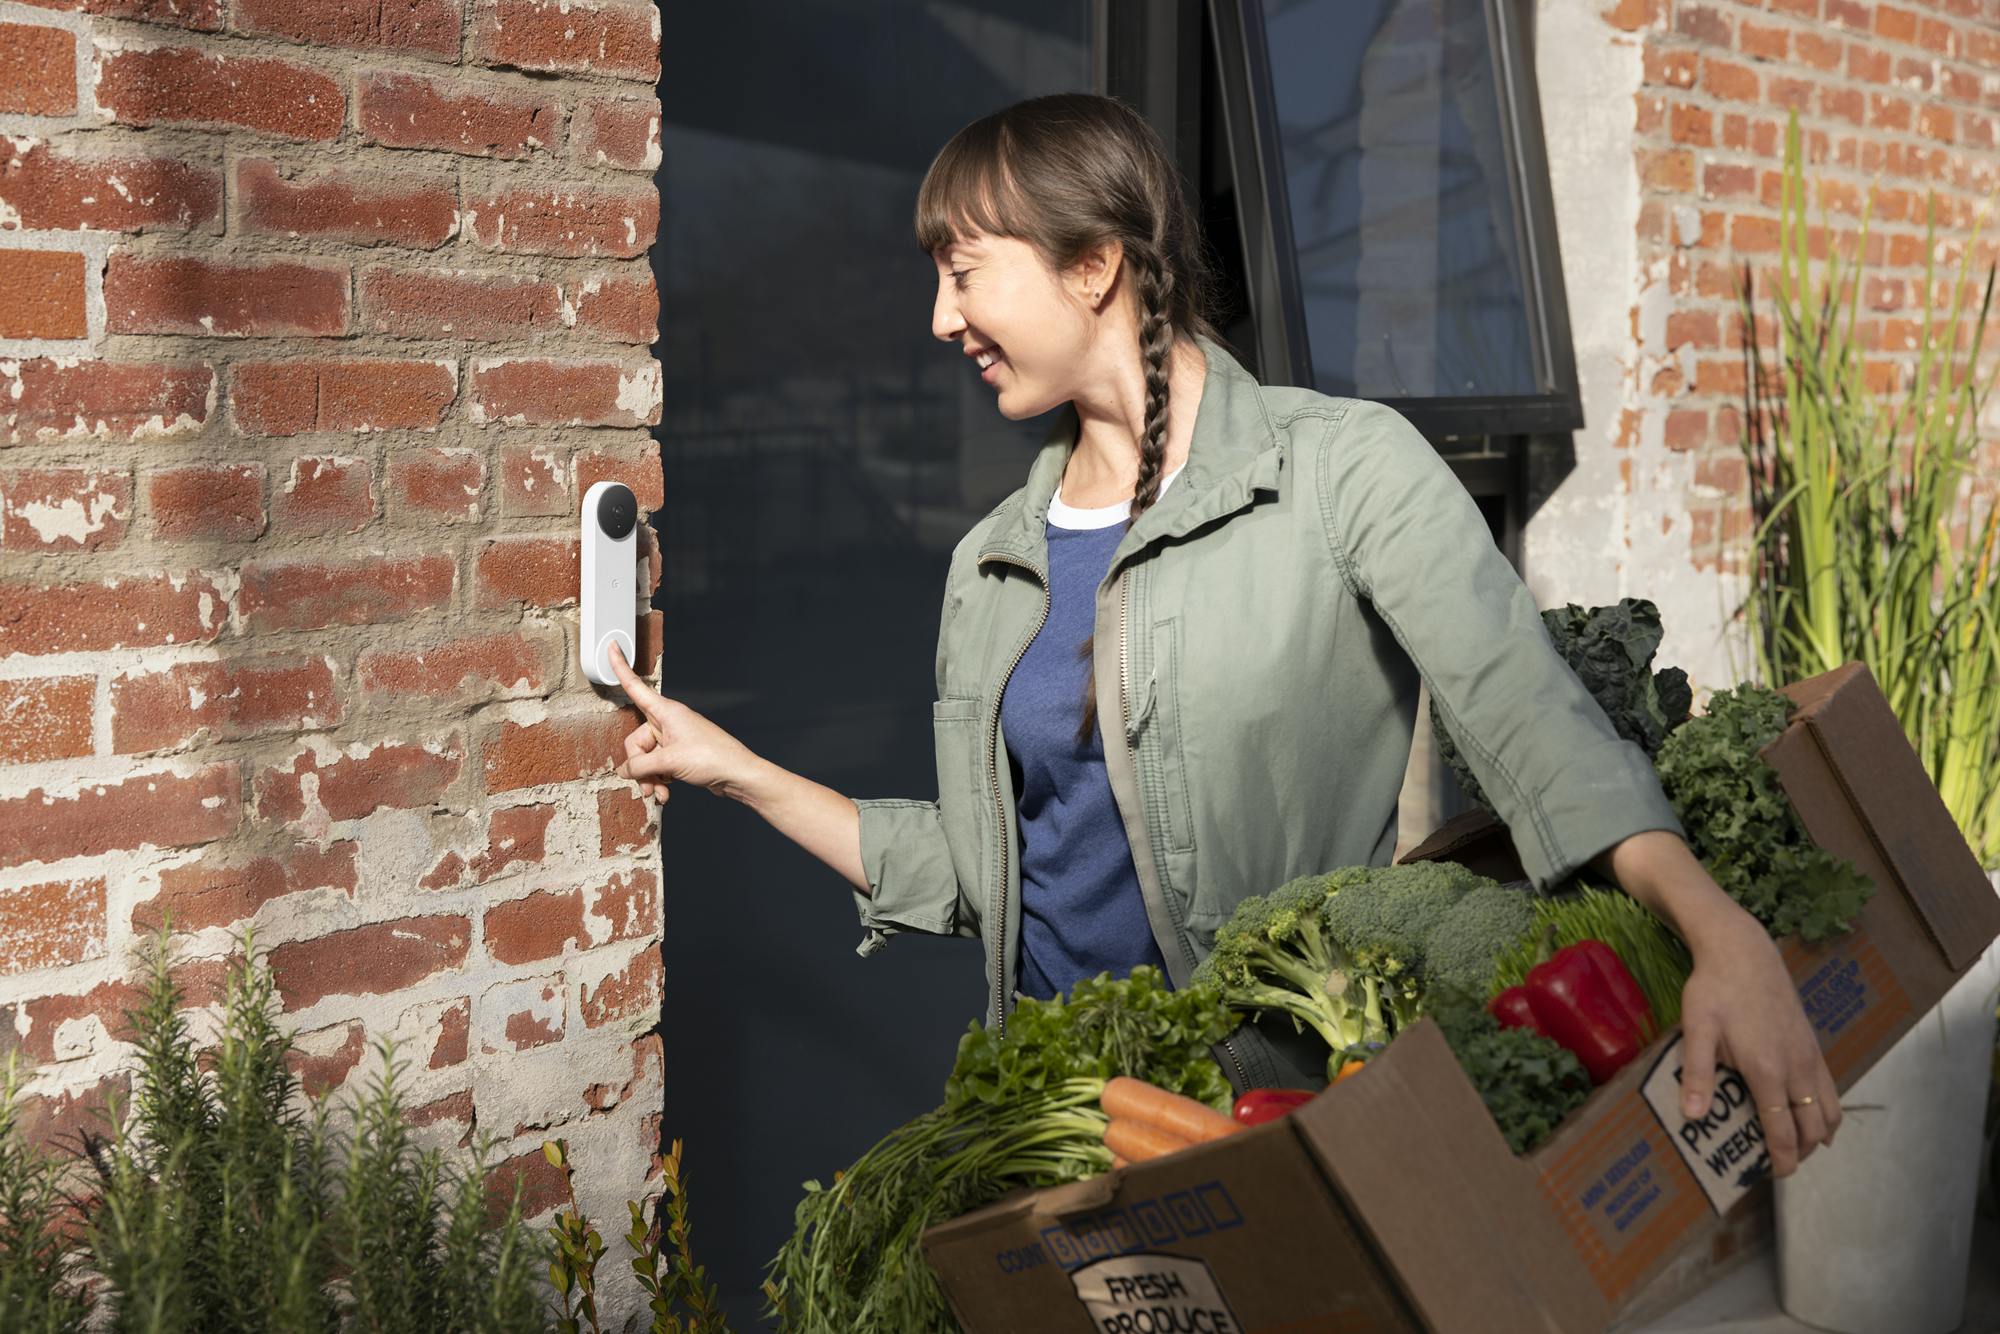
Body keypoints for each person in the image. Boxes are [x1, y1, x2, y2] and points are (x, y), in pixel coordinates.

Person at [606, 92, 1840, 1176]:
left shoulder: (1336, 469)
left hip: (1274, 1114)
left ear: (1091, 266)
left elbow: (1529, 718)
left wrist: (1712, 926)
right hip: (1056, 1118)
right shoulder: (990, 559)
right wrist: (741, 773)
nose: (938, 317)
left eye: (962, 270)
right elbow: (1003, 869)